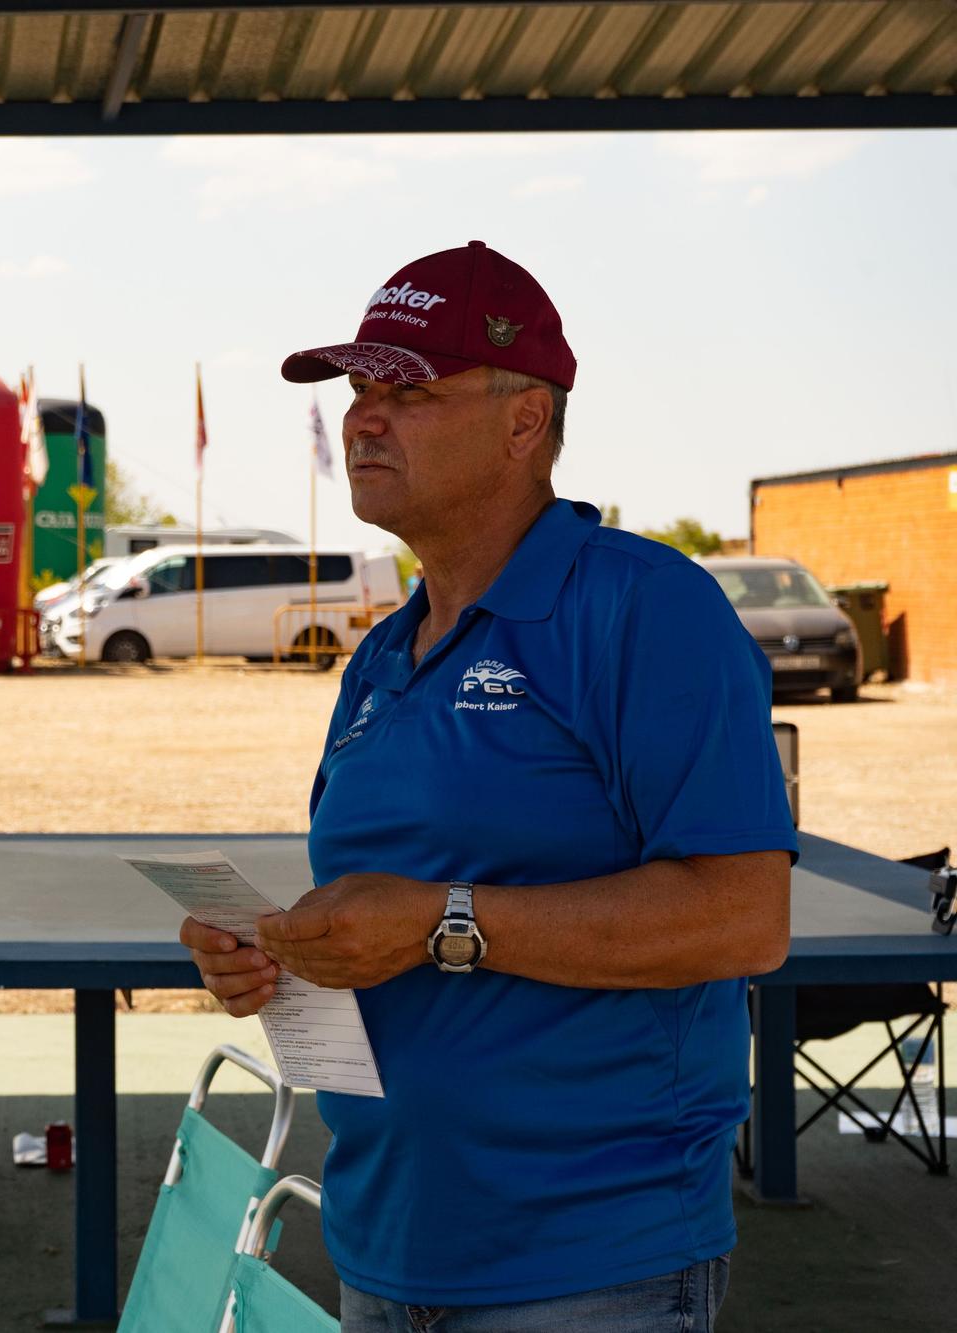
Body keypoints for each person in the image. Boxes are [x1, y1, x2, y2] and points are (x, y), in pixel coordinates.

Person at [181, 241, 794, 1332]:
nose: (361, 418)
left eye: (405, 390)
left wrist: (441, 925)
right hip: (384, 1240)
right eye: (357, 391)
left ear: (524, 422)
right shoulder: (380, 657)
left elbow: (741, 918)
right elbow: (390, 915)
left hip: (586, 1258)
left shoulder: (645, 610)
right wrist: (286, 959)